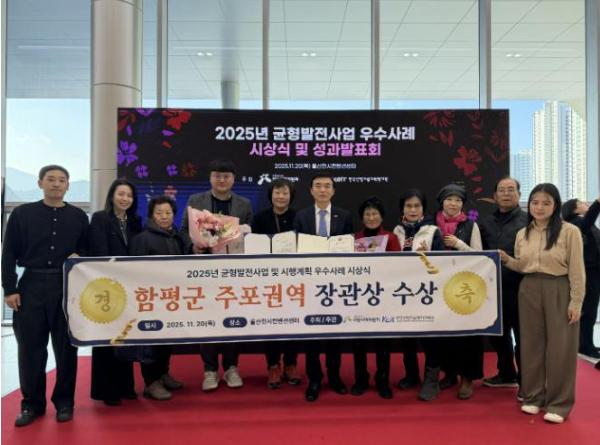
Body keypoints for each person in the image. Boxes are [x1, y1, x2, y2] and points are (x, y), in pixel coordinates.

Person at [2, 165, 89, 426]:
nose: (56, 184)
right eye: (50, 179)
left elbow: (87, 249)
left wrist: (81, 255)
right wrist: (10, 289)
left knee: (66, 349)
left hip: (66, 287)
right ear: (40, 183)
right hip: (30, 285)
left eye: (62, 180)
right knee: (30, 350)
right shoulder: (22, 214)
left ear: (68, 186)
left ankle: (65, 403)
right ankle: (31, 405)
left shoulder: (78, 216)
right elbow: (8, 253)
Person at [501, 183, 585, 424]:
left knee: (561, 347)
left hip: (559, 287)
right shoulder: (523, 233)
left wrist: (576, 302)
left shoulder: (569, 232)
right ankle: (534, 397)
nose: (539, 207)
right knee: (531, 345)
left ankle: (559, 403)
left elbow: (577, 270)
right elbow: (522, 265)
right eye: (535, 202)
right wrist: (506, 259)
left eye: (546, 203)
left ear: (555, 205)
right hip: (528, 289)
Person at [179, 159, 253, 391]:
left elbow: (250, 236)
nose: (222, 180)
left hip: (233, 272)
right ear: (211, 178)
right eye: (217, 176)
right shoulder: (196, 201)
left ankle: (231, 367)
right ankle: (210, 370)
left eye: (226, 176)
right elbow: (183, 230)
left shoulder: (244, 204)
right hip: (204, 271)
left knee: (233, 320)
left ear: (233, 179)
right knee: (207, 319)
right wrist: (194, 246)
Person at [293, 172, 353, 402]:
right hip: (309, 284)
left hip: (336, 284)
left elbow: (349, 247)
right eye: (318, 186)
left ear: (333, 191)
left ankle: (335, 377)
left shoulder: (344, 215)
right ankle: (314, 379)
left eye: (327, 186)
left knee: (334, 333)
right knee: (312, 335)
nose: (322, 190)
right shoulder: (302, 216)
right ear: (311, 190)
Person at [89, 178, 142, 406]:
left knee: (125, 335)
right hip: (107, 286)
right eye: (121, 194)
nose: (125, 199)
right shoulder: (100, 218)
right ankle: (107, 390)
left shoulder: (135, 221)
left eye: (129, 195)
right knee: (106, 338)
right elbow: (99, 252)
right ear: (112, 196)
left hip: (129, 286)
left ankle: (125, 386)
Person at [130, 195, 185, 401]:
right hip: (150, 299)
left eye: (168, 212)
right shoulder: (142, 238)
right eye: (159, 213)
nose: (164, 216)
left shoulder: (177, 237)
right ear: (152, 215)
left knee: (166, 339)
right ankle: (151, 381)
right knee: (150, 341)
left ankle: (163, 373)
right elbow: (134, 271)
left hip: (171, 298)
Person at [392, 189, 444, 401]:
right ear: (402, 209)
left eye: (416, 206)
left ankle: (431, 381)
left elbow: (440, 267)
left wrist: (426, 257)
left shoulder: (433, 231)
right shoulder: (396, 231)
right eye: (408, 206)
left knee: (430, 338)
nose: (412, 210)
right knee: (407, 337)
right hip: (402, 293)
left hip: (426, 293)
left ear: (423, 208)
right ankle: (411, 375)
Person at [434, 183, 484, 400]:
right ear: (442, 202)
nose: (453, 204)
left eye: (458, 200)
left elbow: (481, 256)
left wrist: (458, 244)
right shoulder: (431, 224)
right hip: (439, 286)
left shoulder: (471, 225)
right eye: (449, 199)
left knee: (468, 335)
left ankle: (467, 378)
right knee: (445, 334)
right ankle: (449, 374)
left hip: (466, 287)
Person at [479, 177, 528, 397]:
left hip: (521, 288)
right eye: (501, 190)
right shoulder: (486, 222)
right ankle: (506, 373)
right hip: (492, 290)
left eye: (511, 189)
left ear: (519, 194)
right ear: (495, 196)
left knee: (523, 337)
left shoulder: (529, 221)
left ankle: (527, 381)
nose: (506, 194)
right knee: (498, 335)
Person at [251, 178, 301, 388]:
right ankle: (273, 365)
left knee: (293, 324)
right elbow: (252, 247)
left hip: (294, 279)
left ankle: (290, 364)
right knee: (270, 325)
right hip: (268, 280)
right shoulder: (259, 218)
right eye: (277, 193)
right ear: (271, 195)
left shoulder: (299, 217)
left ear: (291, 196)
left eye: (285, 193)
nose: (281, 197)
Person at [351, 196, 400, 399]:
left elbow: (399, 268)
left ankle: (383, 380)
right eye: (367, 214)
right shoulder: (353, 239)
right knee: (358, 343)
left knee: (383, 343)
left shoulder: (391, 238)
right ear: (362, 217)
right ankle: (361, 379)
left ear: (382, 217)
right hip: (359, 298)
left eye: (375, 214)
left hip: (383, 298)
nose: (371, 217)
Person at [562, 197, 600, 359]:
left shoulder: (583, 223)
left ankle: (586, 343)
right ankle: (585, 345)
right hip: (588, 272)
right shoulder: (575, 223)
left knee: (591, 310)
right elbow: (588, 221)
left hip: (594, 271)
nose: (586, 205)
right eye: (583, 203)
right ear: (575, 209)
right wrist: (597, 203)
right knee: (589, 310)